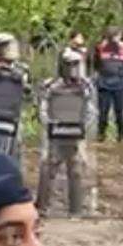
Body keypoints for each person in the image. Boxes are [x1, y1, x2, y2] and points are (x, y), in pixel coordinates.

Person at [36, 47, 96, 216]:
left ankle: (75, 209)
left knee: (76, 170)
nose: (73, 69)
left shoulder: (85, 87)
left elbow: (90, 110)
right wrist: (50, 124)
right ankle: (42, 207)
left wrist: (82, 126)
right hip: (56, 134)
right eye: (70, 65)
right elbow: (43, 109)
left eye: (76, 65)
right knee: (48, 168)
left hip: (76, 134)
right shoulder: (51, 86)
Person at [92, 26, 123, 142]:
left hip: (120, 83)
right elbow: (95, 63)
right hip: (104, 83)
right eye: (117, 35)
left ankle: (121, 135)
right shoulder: (100, 47)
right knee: (103, 110)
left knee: (120, 110)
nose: (119, 38)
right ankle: (101, 134)